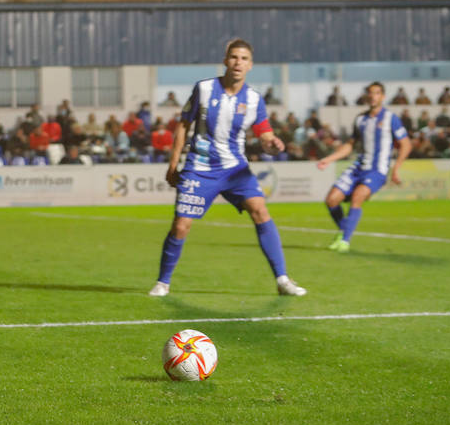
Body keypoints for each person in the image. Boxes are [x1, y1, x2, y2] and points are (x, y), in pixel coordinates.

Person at [148, 39, 306, 298]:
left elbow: (264, 132)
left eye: (243, 59)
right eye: (233, 57)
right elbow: (183, 125)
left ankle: (282, 279)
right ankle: (163, 282)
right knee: (181, 225)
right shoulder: (205, 89)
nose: (238, 62)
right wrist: (173, 163)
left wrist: (273, 142)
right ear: (225, 61)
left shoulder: (254, 99)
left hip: (235, 169)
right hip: (199, 168)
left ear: (250, 65)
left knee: (260, 211)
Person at [315, 81, 411, 253]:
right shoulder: (360, 119)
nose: (373, 96)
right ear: (367, 96)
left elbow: (406, 144)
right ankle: (345, 230)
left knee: (358, 196)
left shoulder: (391, 118)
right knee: (331, 199)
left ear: (382, 96)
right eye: (370, 93)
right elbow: (350, 145)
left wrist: (396, 168)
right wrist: (329, 159)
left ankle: (344, 241)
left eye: (376, 93)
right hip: (358, 167)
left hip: (377, 170)